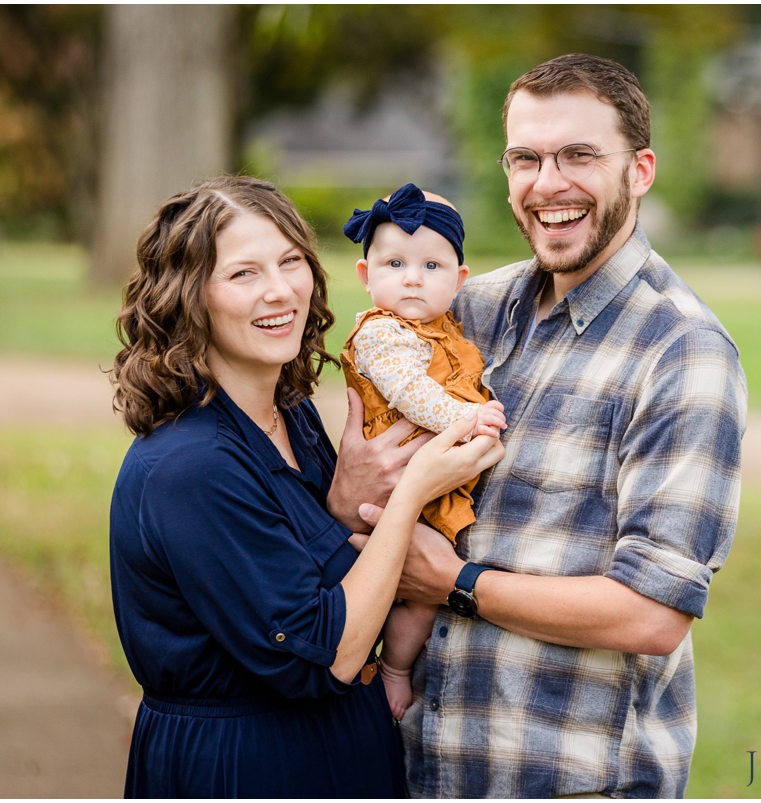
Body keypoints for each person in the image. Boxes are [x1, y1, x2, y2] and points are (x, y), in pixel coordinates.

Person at [340, 54, 747, 798]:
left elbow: (653, 613)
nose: (548, 182)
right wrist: (355, 490)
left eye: (580, 155)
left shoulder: (682, 352)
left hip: (564, 775)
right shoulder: (467, 309)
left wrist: (456, 582)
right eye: (526, 157)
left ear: (641, 170)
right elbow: (361, 457)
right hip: (419, 763)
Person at [108, 175, 503, 798]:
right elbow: (323, 653)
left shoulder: (289, 415)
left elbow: (311, 565)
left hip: (344, 748)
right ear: (190, 298)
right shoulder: (190, 468)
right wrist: (414, 490)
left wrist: (345, 506)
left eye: (291, 261)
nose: (280, 291)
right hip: (247, 767)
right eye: (243, 274)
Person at [339, 182, 507, 719]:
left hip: (432, 483)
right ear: (366, 277)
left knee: (423, 596)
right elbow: (410, 391)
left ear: (459, 282)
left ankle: (395, 668)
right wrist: (467, 418)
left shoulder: (445, 328)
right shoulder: (380, 335)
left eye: (432, 267)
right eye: (394, 263)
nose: (412, 277)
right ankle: (389, 670)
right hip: (400, 490)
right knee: (408, 591)